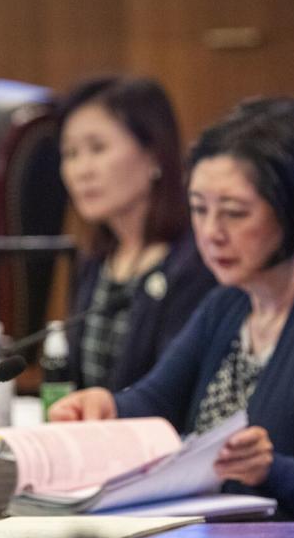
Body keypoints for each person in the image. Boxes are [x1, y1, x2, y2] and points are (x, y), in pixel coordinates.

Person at [51, 97, 294, 520]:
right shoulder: (230, 301)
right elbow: (157, 400)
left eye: (234, 213)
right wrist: (105, 408)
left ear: (291, 213)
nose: (211, 232)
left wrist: (272, 472)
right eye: (199, 209)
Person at [57, 76, 216, 391]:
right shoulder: (96, 263)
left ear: (153, 154)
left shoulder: (195, 264)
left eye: (97, 148)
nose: (81, 170)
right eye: (70, 154)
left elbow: (176, 393)